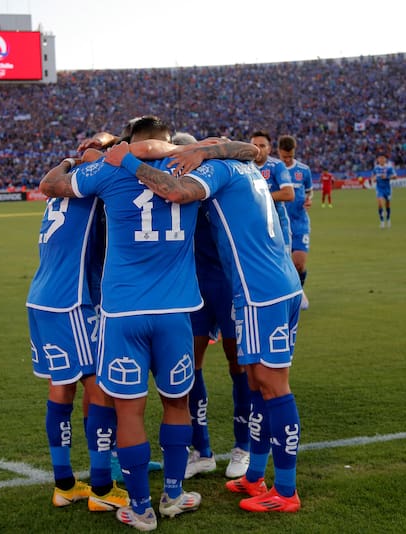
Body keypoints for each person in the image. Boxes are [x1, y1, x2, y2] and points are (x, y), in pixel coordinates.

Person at [106, 137, 304, 514]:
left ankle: (287, 490)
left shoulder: (219, 168)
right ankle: (255, 476)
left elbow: (177, 192)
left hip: (262, 290)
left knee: (274, 386)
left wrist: (127, 161)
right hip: (268, 286)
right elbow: (253, 150)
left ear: (212, 147)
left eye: (201, 146)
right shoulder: (245, 163)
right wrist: (215, 148)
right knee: (257, 383)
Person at [40, 116, 202, 531]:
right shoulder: (193, 169)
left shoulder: (108, 170)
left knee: (129, 412)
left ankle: (140, 507)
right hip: (175, 310)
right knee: (177, 404)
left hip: (122, 312)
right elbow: (239, 150)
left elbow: (52, 187)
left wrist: (91, 154)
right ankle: (174, 494)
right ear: (170, 141)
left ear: (130, 141)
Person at [26, 149, 129, 513]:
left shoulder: (59, 194)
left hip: (41, 298)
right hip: (72, 300)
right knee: (99, 385)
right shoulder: (92, 193)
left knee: (61, 388)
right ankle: (102, 487)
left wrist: (72, 161)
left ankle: (65, 484)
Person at [166, 133, 252, 481]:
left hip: (228, 283)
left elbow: (250, 153)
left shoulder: (218, 172)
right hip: (194, 285)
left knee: (239, 363)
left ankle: (243, 447)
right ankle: (201, 450)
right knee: (191, 365)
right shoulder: (174, 180)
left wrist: (209, 152)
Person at [278, 135, 313, 311]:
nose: (287, 159)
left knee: (298, 263)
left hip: (299, 223)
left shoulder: (303, 170)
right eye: (284, 156)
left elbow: (309, 192)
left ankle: (299, 292)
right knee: (283, 264)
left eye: (290, 156)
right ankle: (292, 295)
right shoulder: (274, 169)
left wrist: (309, 200)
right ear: (279, 152)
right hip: (278, 224)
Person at [250, 130, 294, 253]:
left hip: (278, 227)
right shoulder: (244, 167)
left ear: (269, 149)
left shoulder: (277, 166)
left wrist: (259, 197)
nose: (258, 149)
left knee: (283, 268)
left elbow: (288, 194)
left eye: (262, 146)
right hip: (254, 229)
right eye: (254, 146)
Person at [371, 153, 396, 228]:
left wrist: (387, 177)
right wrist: (374, 179)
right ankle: (382, 221)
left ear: (385, 159)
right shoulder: (375, 168)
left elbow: (395, 176)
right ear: (378, 160)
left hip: (387, 188)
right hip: (379, 188)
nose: (381, 160)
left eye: (383, 158)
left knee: (387, 204)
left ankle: (388, 219)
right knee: (380, 204)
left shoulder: (389, 168)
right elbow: (372, 178)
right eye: (380, 158)